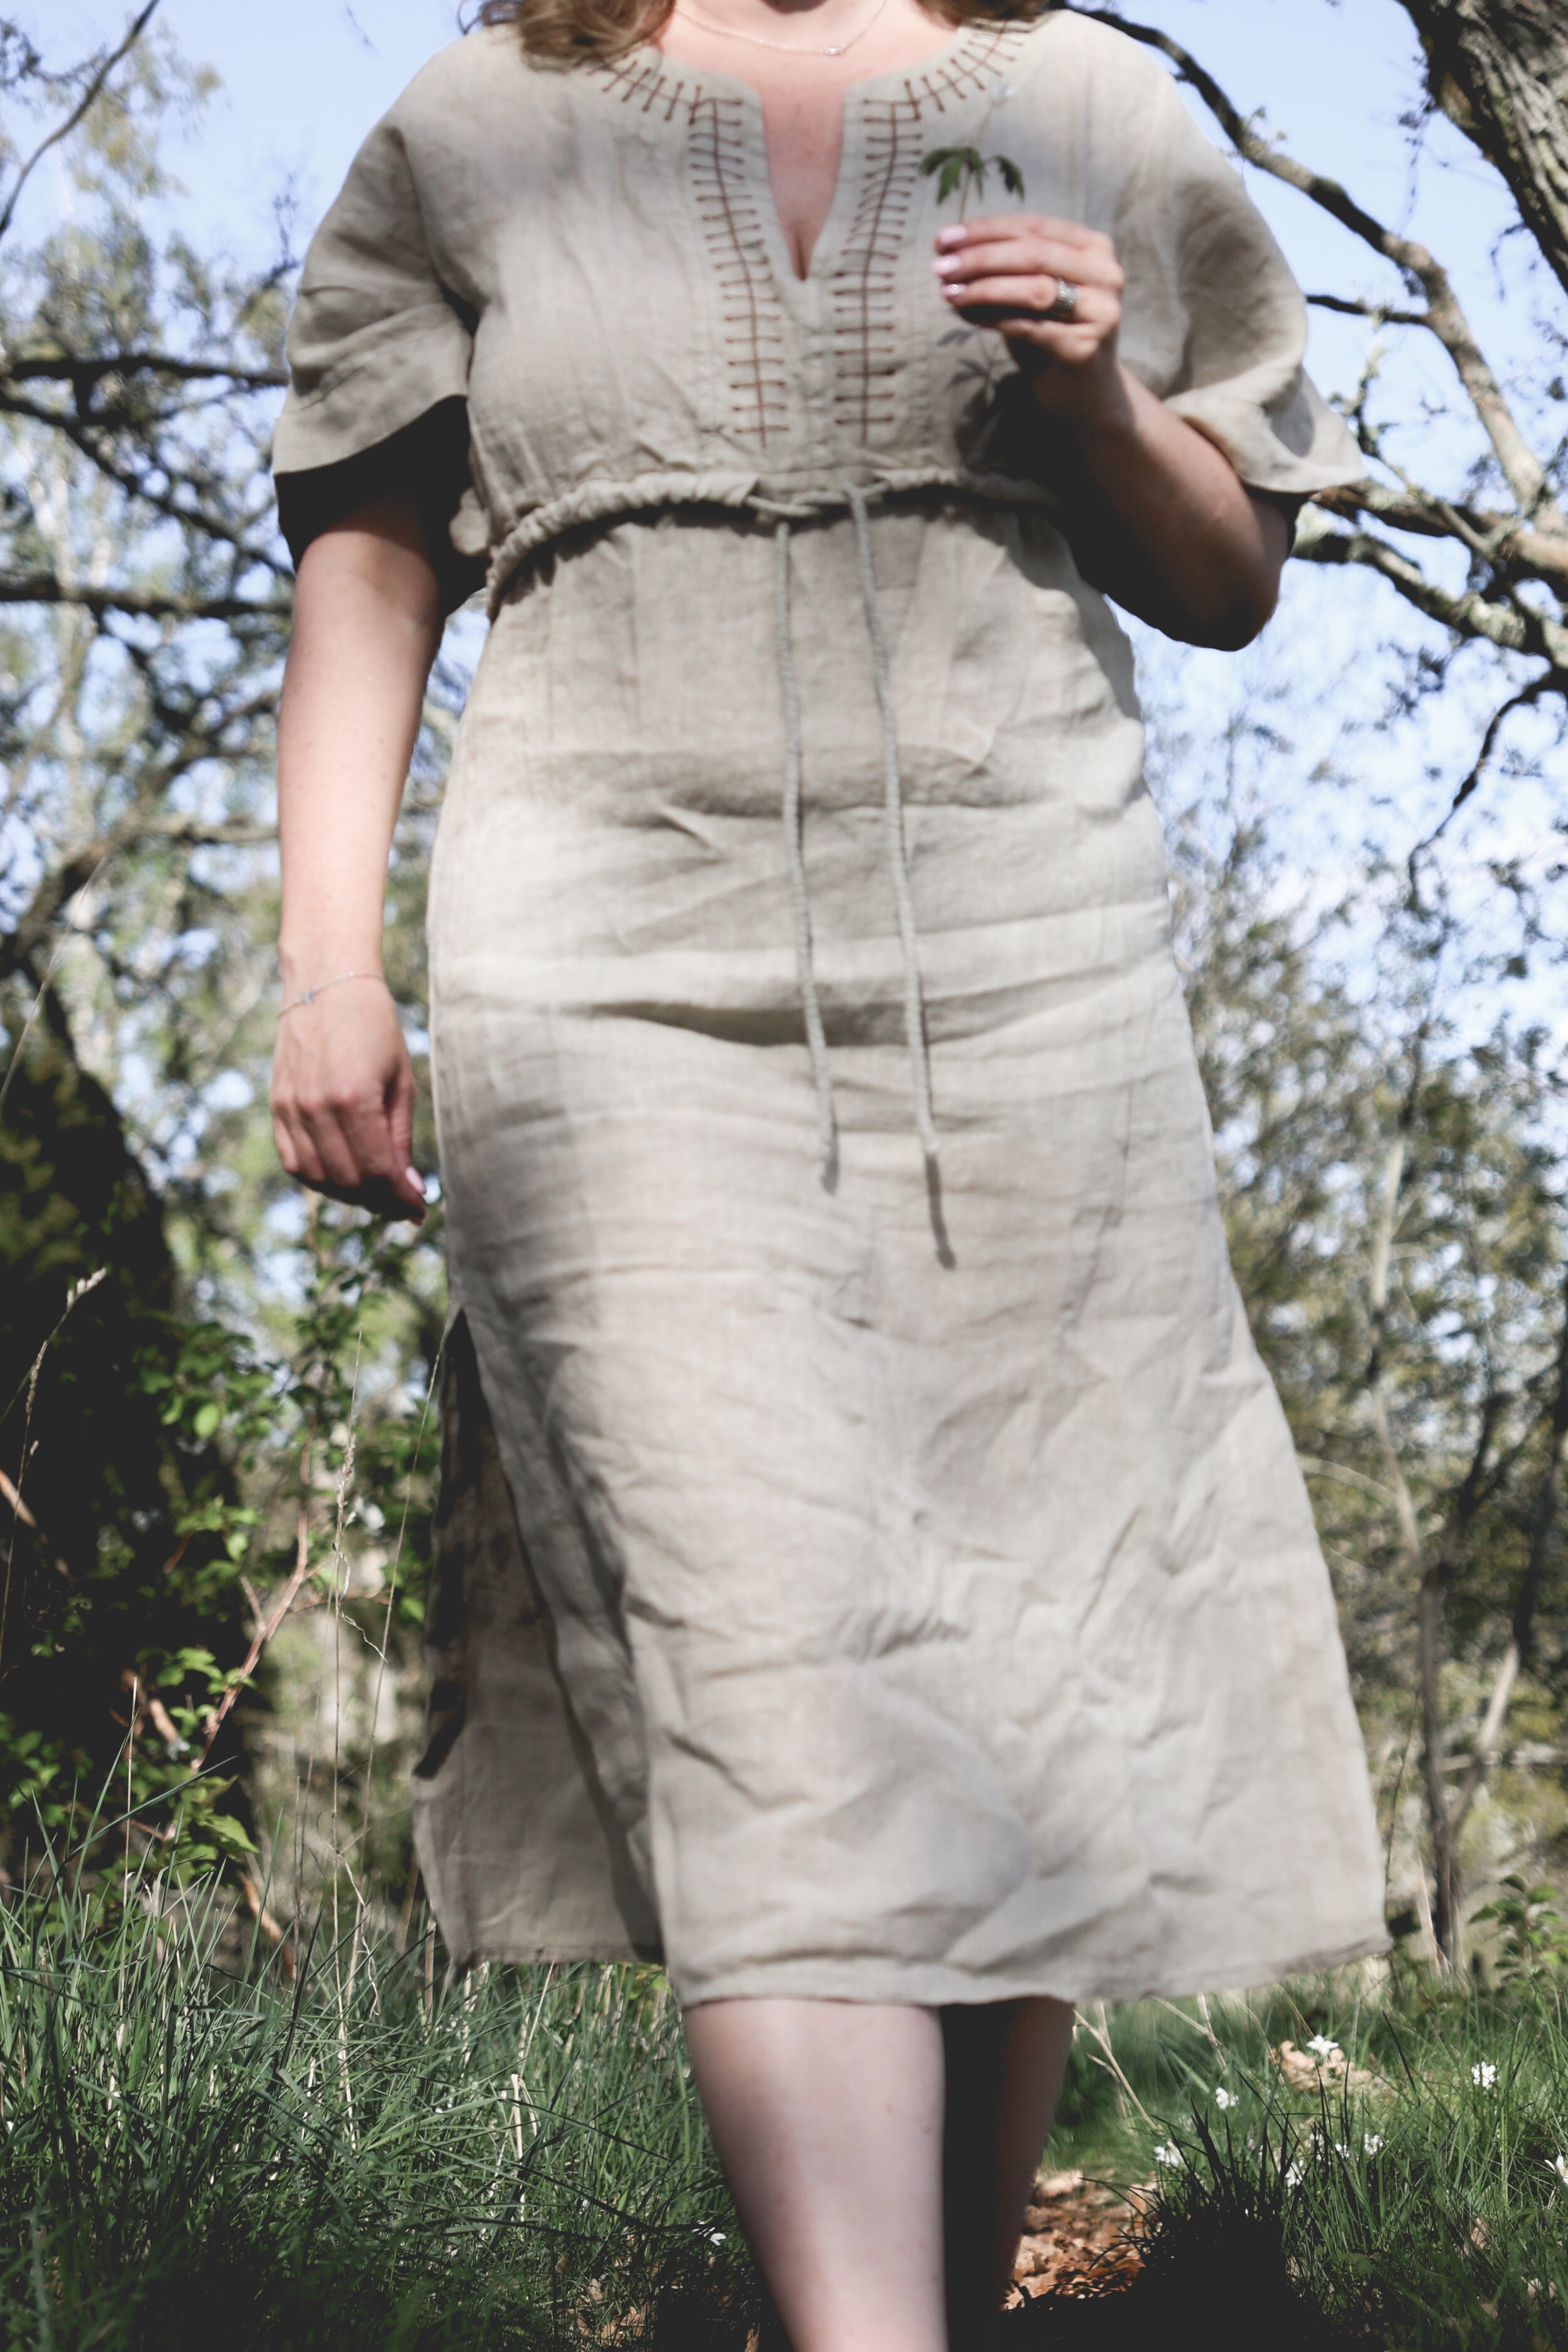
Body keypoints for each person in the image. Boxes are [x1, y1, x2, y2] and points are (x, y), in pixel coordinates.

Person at [268, 1, 1386, 2343]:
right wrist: (324, 965)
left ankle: (929, 2308)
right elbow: (370, 554)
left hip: (1028, 959)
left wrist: (1104, 402)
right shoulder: (479, 120)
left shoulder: (1083, 100)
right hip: (606, 968)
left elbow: (1232, 577)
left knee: (1004, 1673)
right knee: (758, 1663)